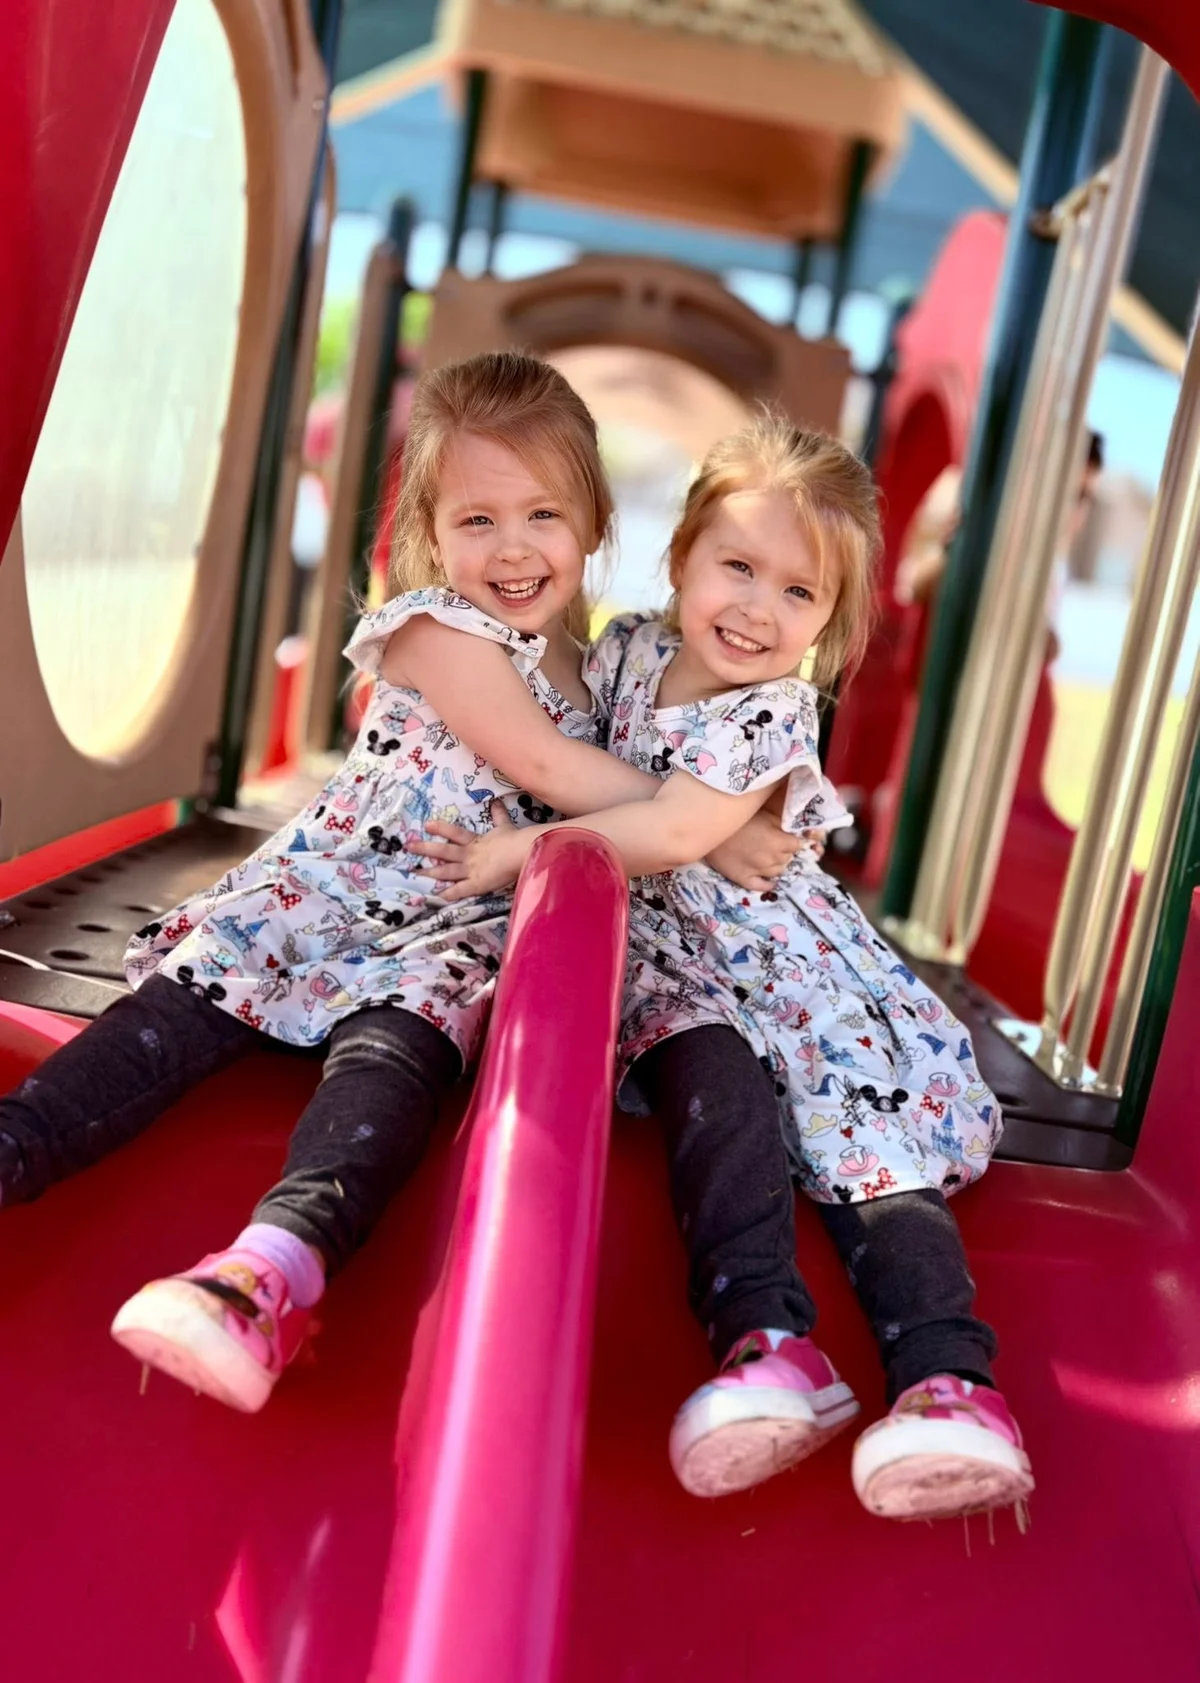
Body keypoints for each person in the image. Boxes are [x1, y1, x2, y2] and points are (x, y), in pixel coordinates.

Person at [0, 352, 780, 1414]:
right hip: (328, 894)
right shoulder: (435, 629)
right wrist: (710, 824)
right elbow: (547, 767)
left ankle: (269, 1273)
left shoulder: (596, 671)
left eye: (543, 515)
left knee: (394, 1066)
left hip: (448, 929)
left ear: (596, 522)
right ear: (430, 530)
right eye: (477, 520)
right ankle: (17, 1146)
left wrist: (722, 803)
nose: (513, 548)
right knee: (174, 1015)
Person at [419, 417, 1032, 1524]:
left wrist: (522, 851)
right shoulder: (627, 651)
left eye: (798, 593)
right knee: (715, 1096)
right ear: (680, 555)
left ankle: (951, 1382)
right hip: (682, 975)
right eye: (737, 566)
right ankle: (767, 1342)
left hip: (796, 978)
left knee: (870, 1155)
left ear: (830, 624)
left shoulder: (771, 710)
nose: (757, 608)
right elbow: (568, 737)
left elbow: (665, 832)